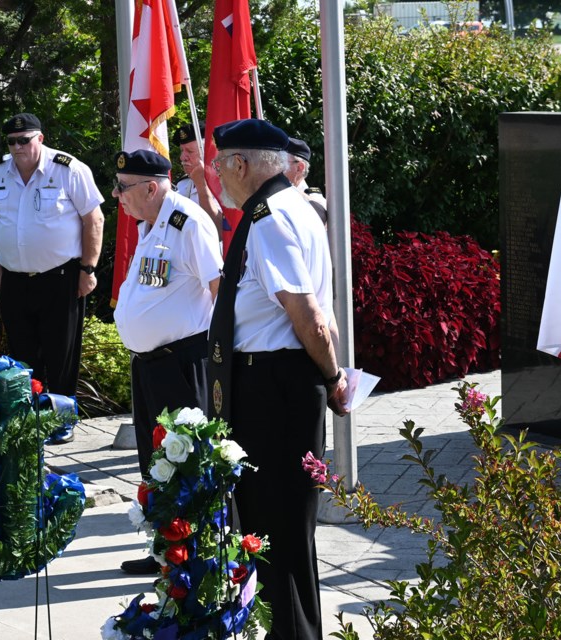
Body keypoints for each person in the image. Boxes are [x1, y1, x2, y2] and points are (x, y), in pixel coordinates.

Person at [207, 119, 350, 640]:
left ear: (241, 165)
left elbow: (308, 314)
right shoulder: (290, 206)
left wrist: (333, 377)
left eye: (221, 163)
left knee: (274, 536)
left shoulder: (268, 218)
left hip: (273, 390)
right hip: (277, 385)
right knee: (284, 534)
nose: (217, 173)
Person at [111, 149, 223, 575]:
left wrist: (222, 358)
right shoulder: (149, 224)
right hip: (150, 364)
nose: (118, 195)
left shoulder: (186, 222)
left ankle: (194, 551)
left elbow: (218, 287)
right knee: (155, 459)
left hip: (181, 362)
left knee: (184, 458)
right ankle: (165, 547)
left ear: (152, 187)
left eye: (124, 187)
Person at [0, 113, 104, 443]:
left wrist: (88, 269)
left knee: (60, 353)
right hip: (15, 280)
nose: (18, 147)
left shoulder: (68, 169)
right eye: (12, 141)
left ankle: (62, 419)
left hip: (60, 277)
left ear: (40, 138)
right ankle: (30, 420)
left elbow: (94, 219)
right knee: (22, 354)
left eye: (25, 140)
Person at [173, 121, 224, 235]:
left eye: (190, 151)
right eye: (182, 150)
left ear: (207, 153)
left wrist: (201, 185)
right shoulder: (182, 185)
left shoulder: (225, 183)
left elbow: (219, 231)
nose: (182, 157)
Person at [285, 137, 328, 225]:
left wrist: (289, 190)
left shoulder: (314, 198)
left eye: (283, 163)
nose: (276, 168)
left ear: (299, 168)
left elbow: (323, 216)